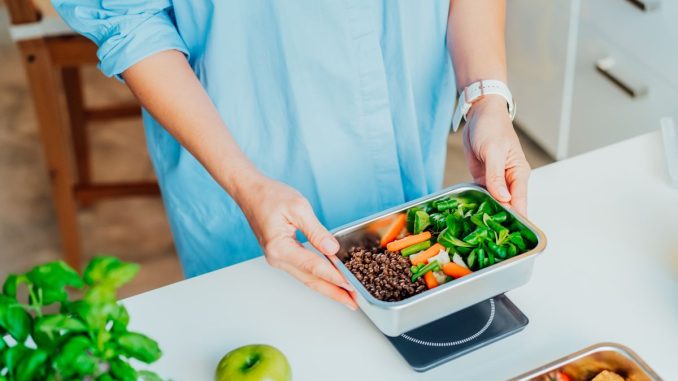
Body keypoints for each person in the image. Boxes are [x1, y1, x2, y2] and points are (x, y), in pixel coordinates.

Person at [53, 0, 530, 310]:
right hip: (247, 162)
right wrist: (246, 183)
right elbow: (129, 19)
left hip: (405, 137)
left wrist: (485, 97)